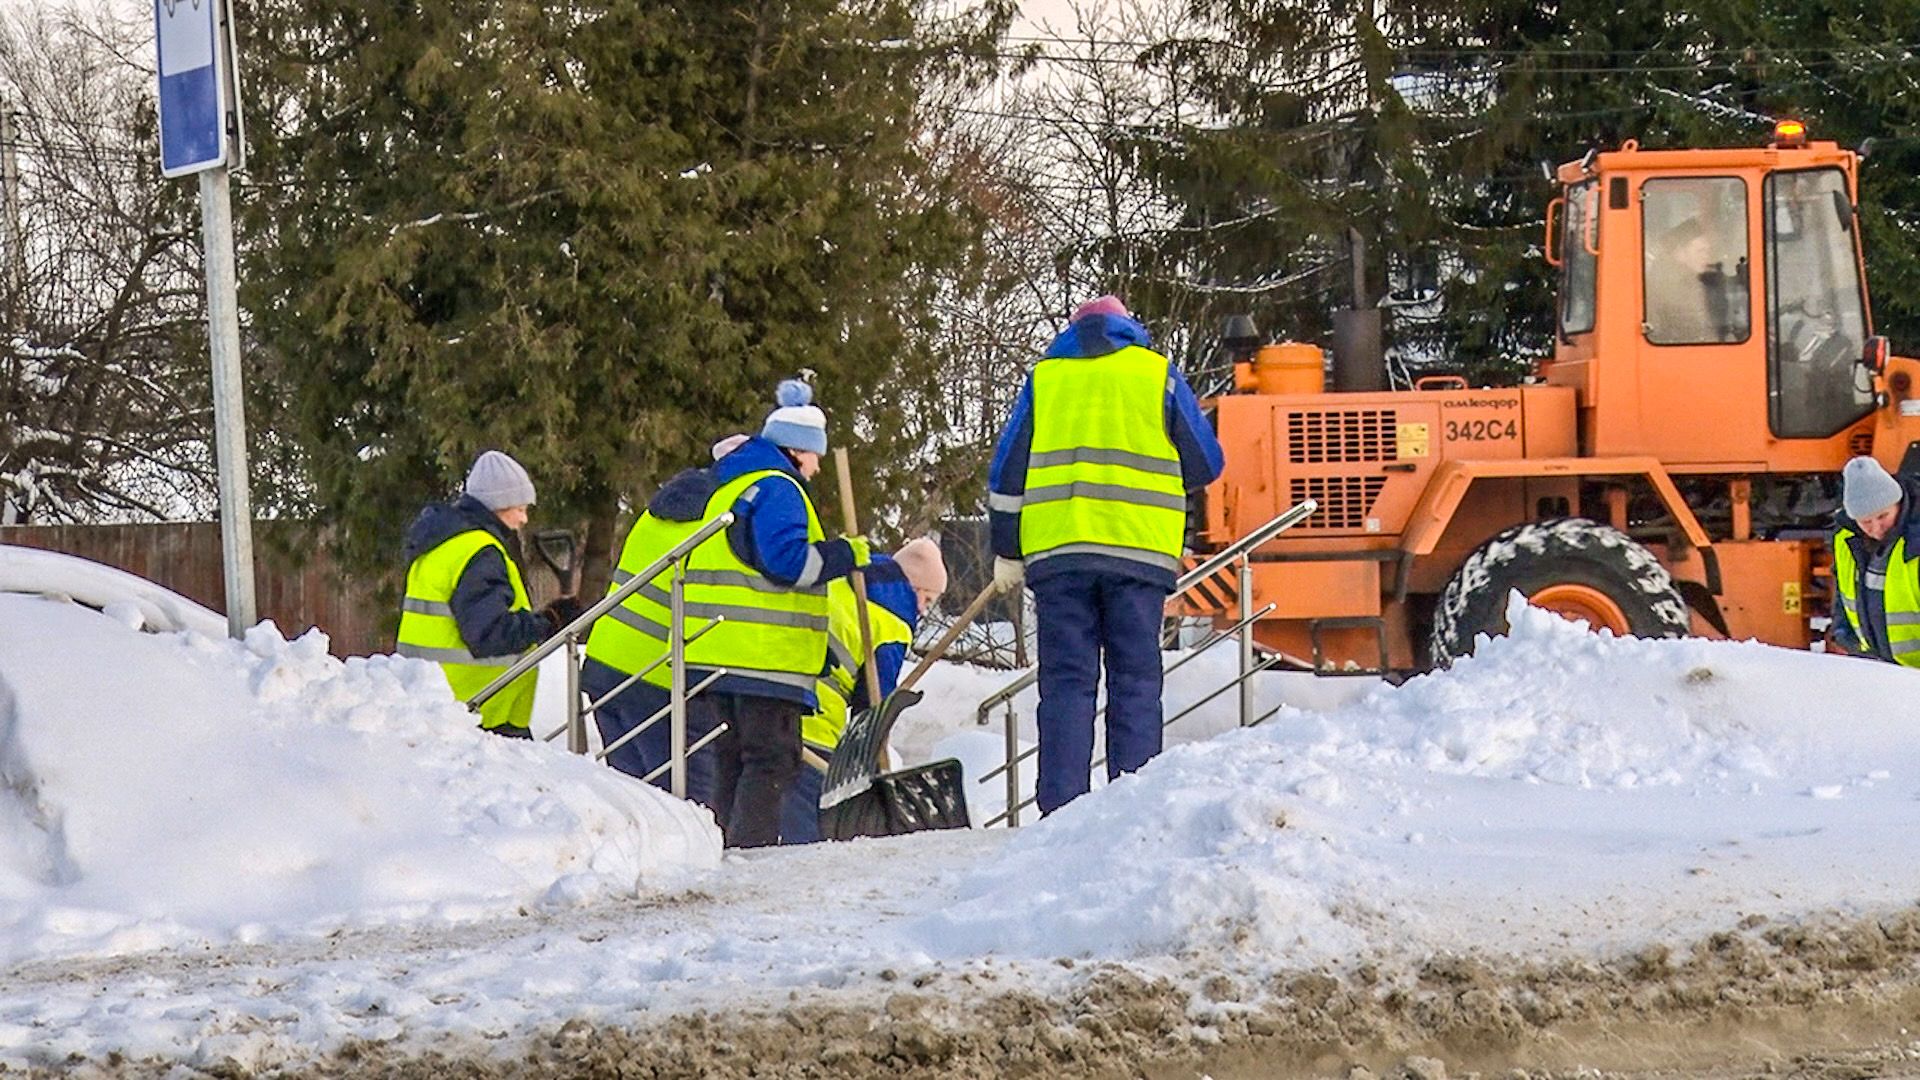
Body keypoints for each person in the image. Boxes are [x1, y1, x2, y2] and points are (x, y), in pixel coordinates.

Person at [592, 380, 870, 846]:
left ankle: (724, 852)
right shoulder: (779, 487)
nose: (818, 466)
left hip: (718, 656)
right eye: (814, 455)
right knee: (771, 761)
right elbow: (786, 563)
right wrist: (845, 554)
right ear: (797, 450)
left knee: (731, 762)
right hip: (761, 659)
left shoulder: (732, 490)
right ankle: (749, 856)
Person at [987, 295, 1225, 815]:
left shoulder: (1046, 380)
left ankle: (1062, 813)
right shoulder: (1157, 375)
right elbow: (1207, 462)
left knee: (1066, 684)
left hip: (1059, 558)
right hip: (1139, 555)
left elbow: (1006, 474)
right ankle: (1132, 810)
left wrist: (1006, 548)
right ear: (1128, 327)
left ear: (1073, 332)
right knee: (1135, 680)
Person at [580, 433, 749, 801]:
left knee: (634, 804)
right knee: (689, 809)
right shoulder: (721, 523)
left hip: (606, 664)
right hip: (657, 677)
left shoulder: (658, 510)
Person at [397, 450, 580, 737]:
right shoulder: (480, 552)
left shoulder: (442, 544)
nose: (524, 519)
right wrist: (549, 622)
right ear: (499, 504)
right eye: (520, 509)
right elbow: (489, 634)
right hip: (481, 709)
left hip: (441, 705)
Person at [780, 536, 947, 844]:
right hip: (816, 719)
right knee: (805, 818)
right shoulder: (892, 620)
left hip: (775, 696)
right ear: (912, 587)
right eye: (927, 599)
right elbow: (873, 702)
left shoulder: (845, 580)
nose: (923, 611)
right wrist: (870, 752)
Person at [1830, 456, 1920, 666]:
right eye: (1866, 522)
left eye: (1883, 516)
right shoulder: (1846, 540)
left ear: (1898, 504)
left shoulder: (1915, 543)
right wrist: (1844, 633)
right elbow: (1844, 593)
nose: (1876, 528)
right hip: (1879, 668)